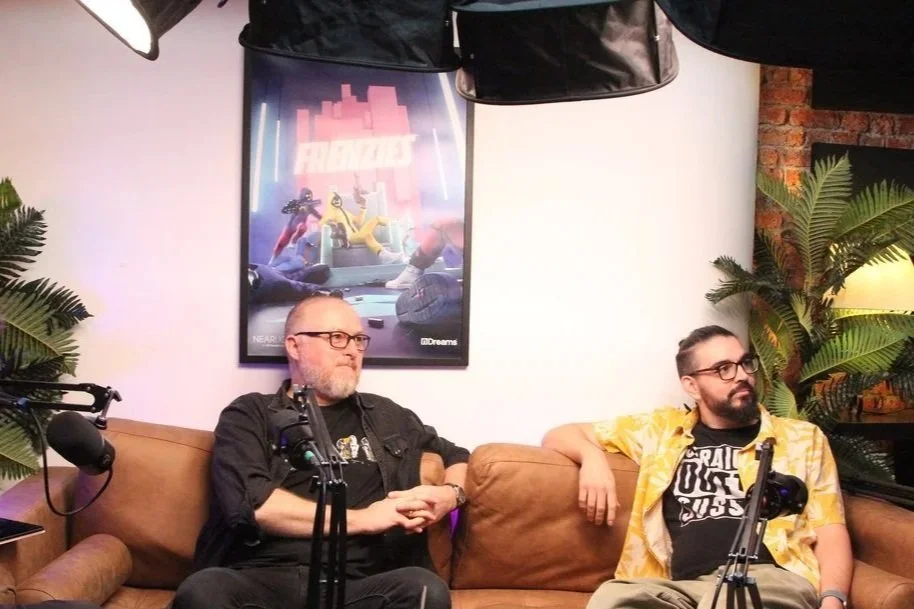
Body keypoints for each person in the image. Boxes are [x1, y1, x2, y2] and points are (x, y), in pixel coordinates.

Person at [173, 295, 469, 609]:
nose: (352, 350)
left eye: (358, 340)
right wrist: (365, 519)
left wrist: (450, 495)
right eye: (337, 337)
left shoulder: (386, 415)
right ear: (294, 346)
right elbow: (253, 504)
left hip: (359, 584)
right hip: (262, 579)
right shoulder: (250, 414)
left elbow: (456, 455)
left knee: (425, 590)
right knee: (202, 591)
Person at [541, 325, 852, 609]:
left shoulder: (802, 438)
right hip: (680, 588)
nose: (742, 375)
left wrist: (833, 600)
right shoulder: (661, 430)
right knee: (613, 597)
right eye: (723, 369)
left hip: (766, 580)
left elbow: (830, 530)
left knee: (728, 601)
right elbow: (560, 434)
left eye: (745, 363)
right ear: (691, 385)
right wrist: (592, 459)